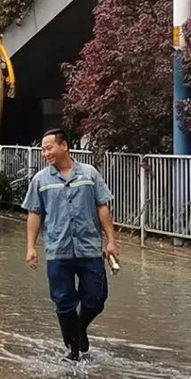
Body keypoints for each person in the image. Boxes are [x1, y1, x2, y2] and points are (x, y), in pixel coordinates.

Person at [23, 129, 120, 362]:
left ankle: (79, 329)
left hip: (89, 247)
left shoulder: (89, 174)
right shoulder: (41, 180)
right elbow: (35, 214)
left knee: (96, 298)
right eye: (43, 150)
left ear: (64, 146)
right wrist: (31, 247)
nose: (45, 153)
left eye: (49, 148)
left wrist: (111, 241)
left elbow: (102, 208)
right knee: (63, 302)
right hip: (58, 249)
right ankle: (72, 350)